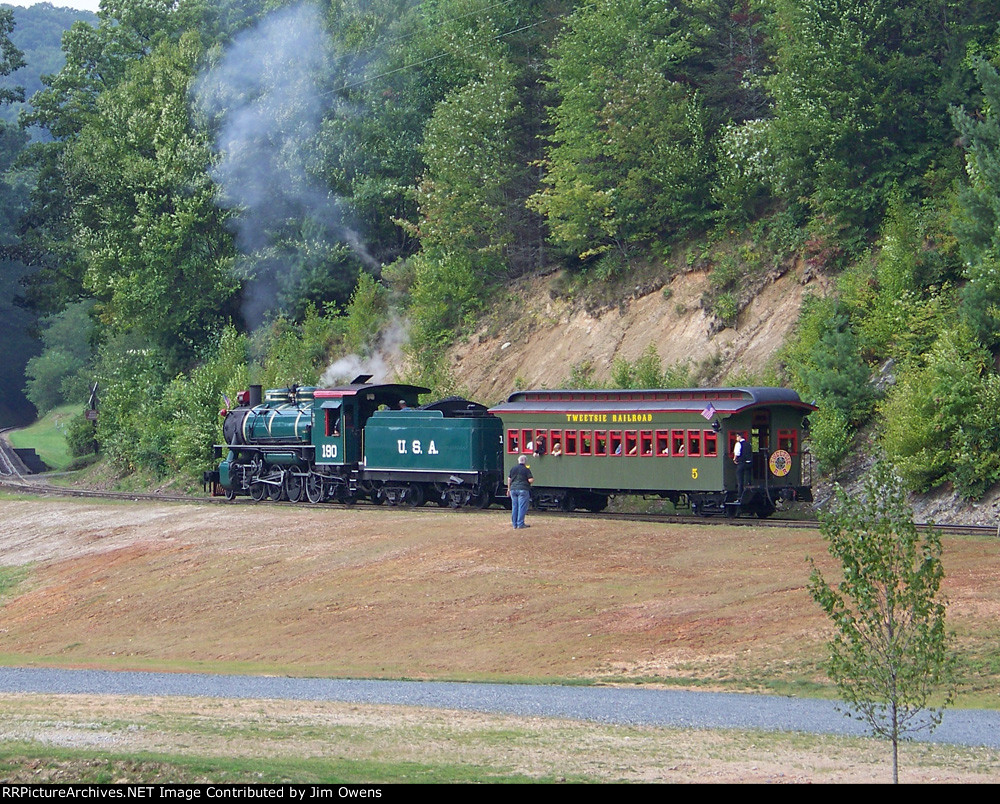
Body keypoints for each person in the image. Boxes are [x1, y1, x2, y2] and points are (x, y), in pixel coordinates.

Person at [507, 454, 534, 529]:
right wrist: (532, 480)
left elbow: (509, 479)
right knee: (522, 507)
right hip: (523, 489)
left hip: (513, 489)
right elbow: (530, 480)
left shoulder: (513, 468)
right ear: (525, 461)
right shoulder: (526, 469)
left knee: (514, 506)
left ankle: (514, 524)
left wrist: (508, 489)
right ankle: (520, 523)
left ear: (518, 461)